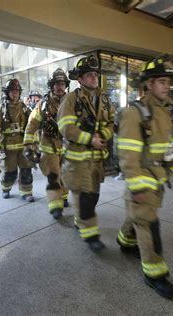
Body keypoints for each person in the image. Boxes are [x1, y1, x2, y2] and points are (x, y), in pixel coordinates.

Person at [116, 55, 173, 299]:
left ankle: (125, 240)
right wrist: (136, 185)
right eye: (161, 81)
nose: (166, 86)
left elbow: (170, 145)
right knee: (148, 224)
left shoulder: (165, 112)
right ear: (148, 84)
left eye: (168, 81)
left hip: (157, 177)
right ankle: (155, 274)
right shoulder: (134, 113)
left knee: (138, 215)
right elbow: (127, 154)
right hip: (142, 176)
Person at [57, 55, 115, 252]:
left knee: (94, 195)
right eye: (89, 75)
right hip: (77, 160)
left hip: (97, 159)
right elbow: (66, 128)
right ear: (79, 79)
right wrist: (90, 139)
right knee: (86, 197)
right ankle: (90, 235)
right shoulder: (70, 100)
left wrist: (103, 137)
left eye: (95, 74)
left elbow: (111, 123)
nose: (94, 77)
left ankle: (79, 218)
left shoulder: (104, 99)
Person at [23, 68, 70, 219]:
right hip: (49, 146)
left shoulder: (72, 102)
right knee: (53, 176)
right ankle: (55, 206)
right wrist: (29, 145)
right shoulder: (43, 105)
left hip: (68, 147)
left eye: (62, 83)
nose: (59, 87)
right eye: (56, 84)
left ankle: (63, 197)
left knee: (65, 175)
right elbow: (32, 125)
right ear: (51, 85)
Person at [0, 79, 34, 201]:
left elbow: (33, 124)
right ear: (7, 93)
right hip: (8, 148)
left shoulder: (24, 108)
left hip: (23, 146)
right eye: (12, 91)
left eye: (17, 91)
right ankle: (5, 188)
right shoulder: (0, 109)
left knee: (26, 170)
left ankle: (26, 192)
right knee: (9, 172)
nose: (15, 94)